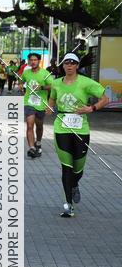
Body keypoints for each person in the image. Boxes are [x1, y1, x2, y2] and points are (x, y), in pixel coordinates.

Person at [47, 52, 108, 217]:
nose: (69, 66)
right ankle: (68, 205)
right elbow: (52, 99)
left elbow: (105, 98)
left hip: (81, 129)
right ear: (63, 65)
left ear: (77, 66)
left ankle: (74, 185)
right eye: (66, 63)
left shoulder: (86, 83)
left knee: (78, 169)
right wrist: (50, 108)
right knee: (66, 167)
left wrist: (91, 108)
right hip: (62, 127)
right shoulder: (56, 83)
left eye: (72, 63)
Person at [21, 52, 54, 158]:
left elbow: (52, 85)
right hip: (28, 102)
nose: (33, 62)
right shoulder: (26, 73)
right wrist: (21, 86)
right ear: (28, 61)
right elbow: (21, 80)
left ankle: (38, 142)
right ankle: (32, 148)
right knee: (30, 124)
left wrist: (42, 88)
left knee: (39, 125)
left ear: (39, 61)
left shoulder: (45, 73)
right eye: (31, 60)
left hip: (41, 103)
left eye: (35, 60)